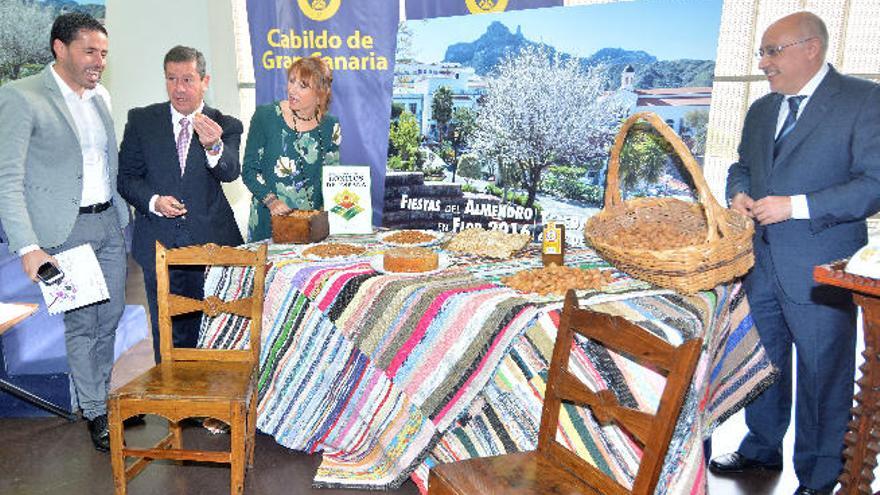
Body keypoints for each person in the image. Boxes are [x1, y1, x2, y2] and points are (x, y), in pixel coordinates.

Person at [711, 11, 880, 495]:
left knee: (823, 374)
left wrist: (797, 206)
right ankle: (760, 447)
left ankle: (820, 474)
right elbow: (742, 167)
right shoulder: (762, 110)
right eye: (761, 52)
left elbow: (875, 183)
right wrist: (738, 194)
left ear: (812, 48)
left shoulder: (865, 101)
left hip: (823, 268)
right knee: (762, 362)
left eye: (771, 51)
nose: (763, 63)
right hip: (759, 263)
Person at [0, 13, 129, 452]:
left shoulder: (101, 97)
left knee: (110, 316)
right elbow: (8, 179)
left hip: (109, 222)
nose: (99, 61)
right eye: (90, 51)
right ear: (60, 48)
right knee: (82, 321)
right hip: (63, 230)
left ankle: (102, 395)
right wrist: (29, 246)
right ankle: (95, 410)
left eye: (104, 53)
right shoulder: (21, 97)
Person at [118, 46, 243, 366]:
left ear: (205, 81)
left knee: (214, 328)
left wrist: (214, 146)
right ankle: (177, 406)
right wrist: (153, 201)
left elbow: (229, 172)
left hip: (212, 244)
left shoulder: (224, 124)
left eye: (187, 79)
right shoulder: (142, 120)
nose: (179, 88)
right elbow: (127, 179)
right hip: (158, 242)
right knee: (168, 330)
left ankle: (211, 404)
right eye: (171, 79)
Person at [241, 56, 341, 242]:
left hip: (312, 229)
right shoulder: (266, 116)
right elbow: (248, 170)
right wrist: (271, 201)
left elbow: (332, 179)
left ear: (320, 94)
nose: (292, 90)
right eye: (291, 81)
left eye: (302, 86)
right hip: (269, 223)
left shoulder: (330, 126)